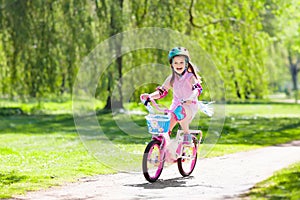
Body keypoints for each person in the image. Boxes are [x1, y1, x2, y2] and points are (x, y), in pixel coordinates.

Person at [141, 47, 203, 145]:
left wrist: (191, 97)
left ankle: (187, 134)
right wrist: (150, 96)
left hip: (189, 106)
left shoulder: (190, 77)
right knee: (164, 128)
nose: (178, 65)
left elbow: (197, 89)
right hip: (175, 107)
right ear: (172, 65)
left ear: (186, 64)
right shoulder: (171, 78)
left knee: (180, 111)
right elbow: (162, 91)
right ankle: (164, 150)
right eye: (176, 63)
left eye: (181, 62)